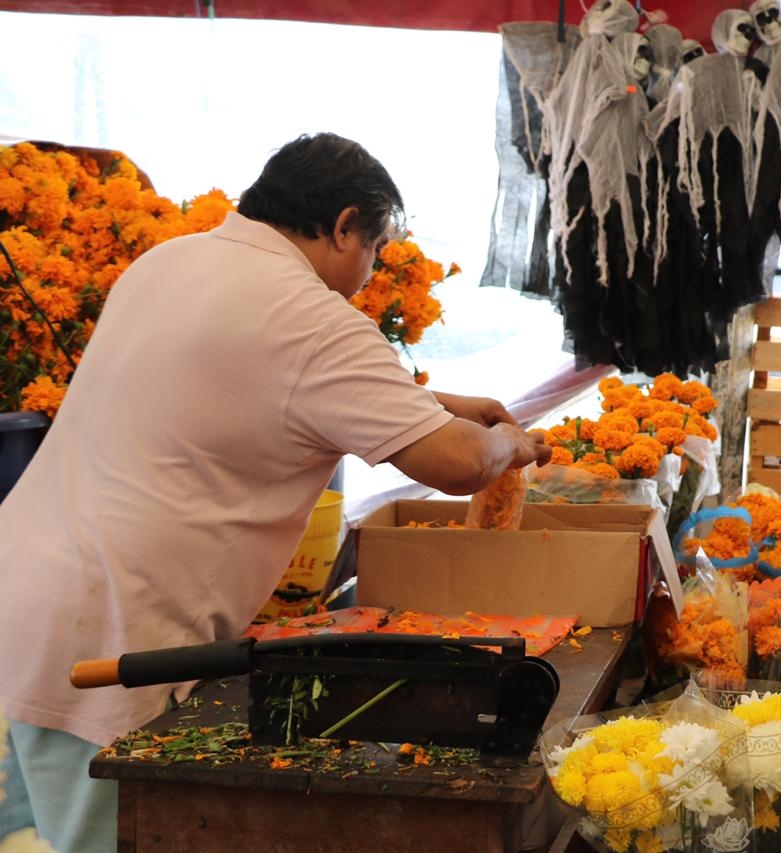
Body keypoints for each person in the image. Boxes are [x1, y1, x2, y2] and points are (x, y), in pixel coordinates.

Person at [0, 132, 551, 852]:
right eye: (375, 250)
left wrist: (435, 400)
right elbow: (460, 464)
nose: (371, 269)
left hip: (38, 585)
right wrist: (514, 441)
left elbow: (249, 380)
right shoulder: (310, 317)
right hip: (114, 630)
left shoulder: (174, 260)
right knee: (111, 839)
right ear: (345, 224)